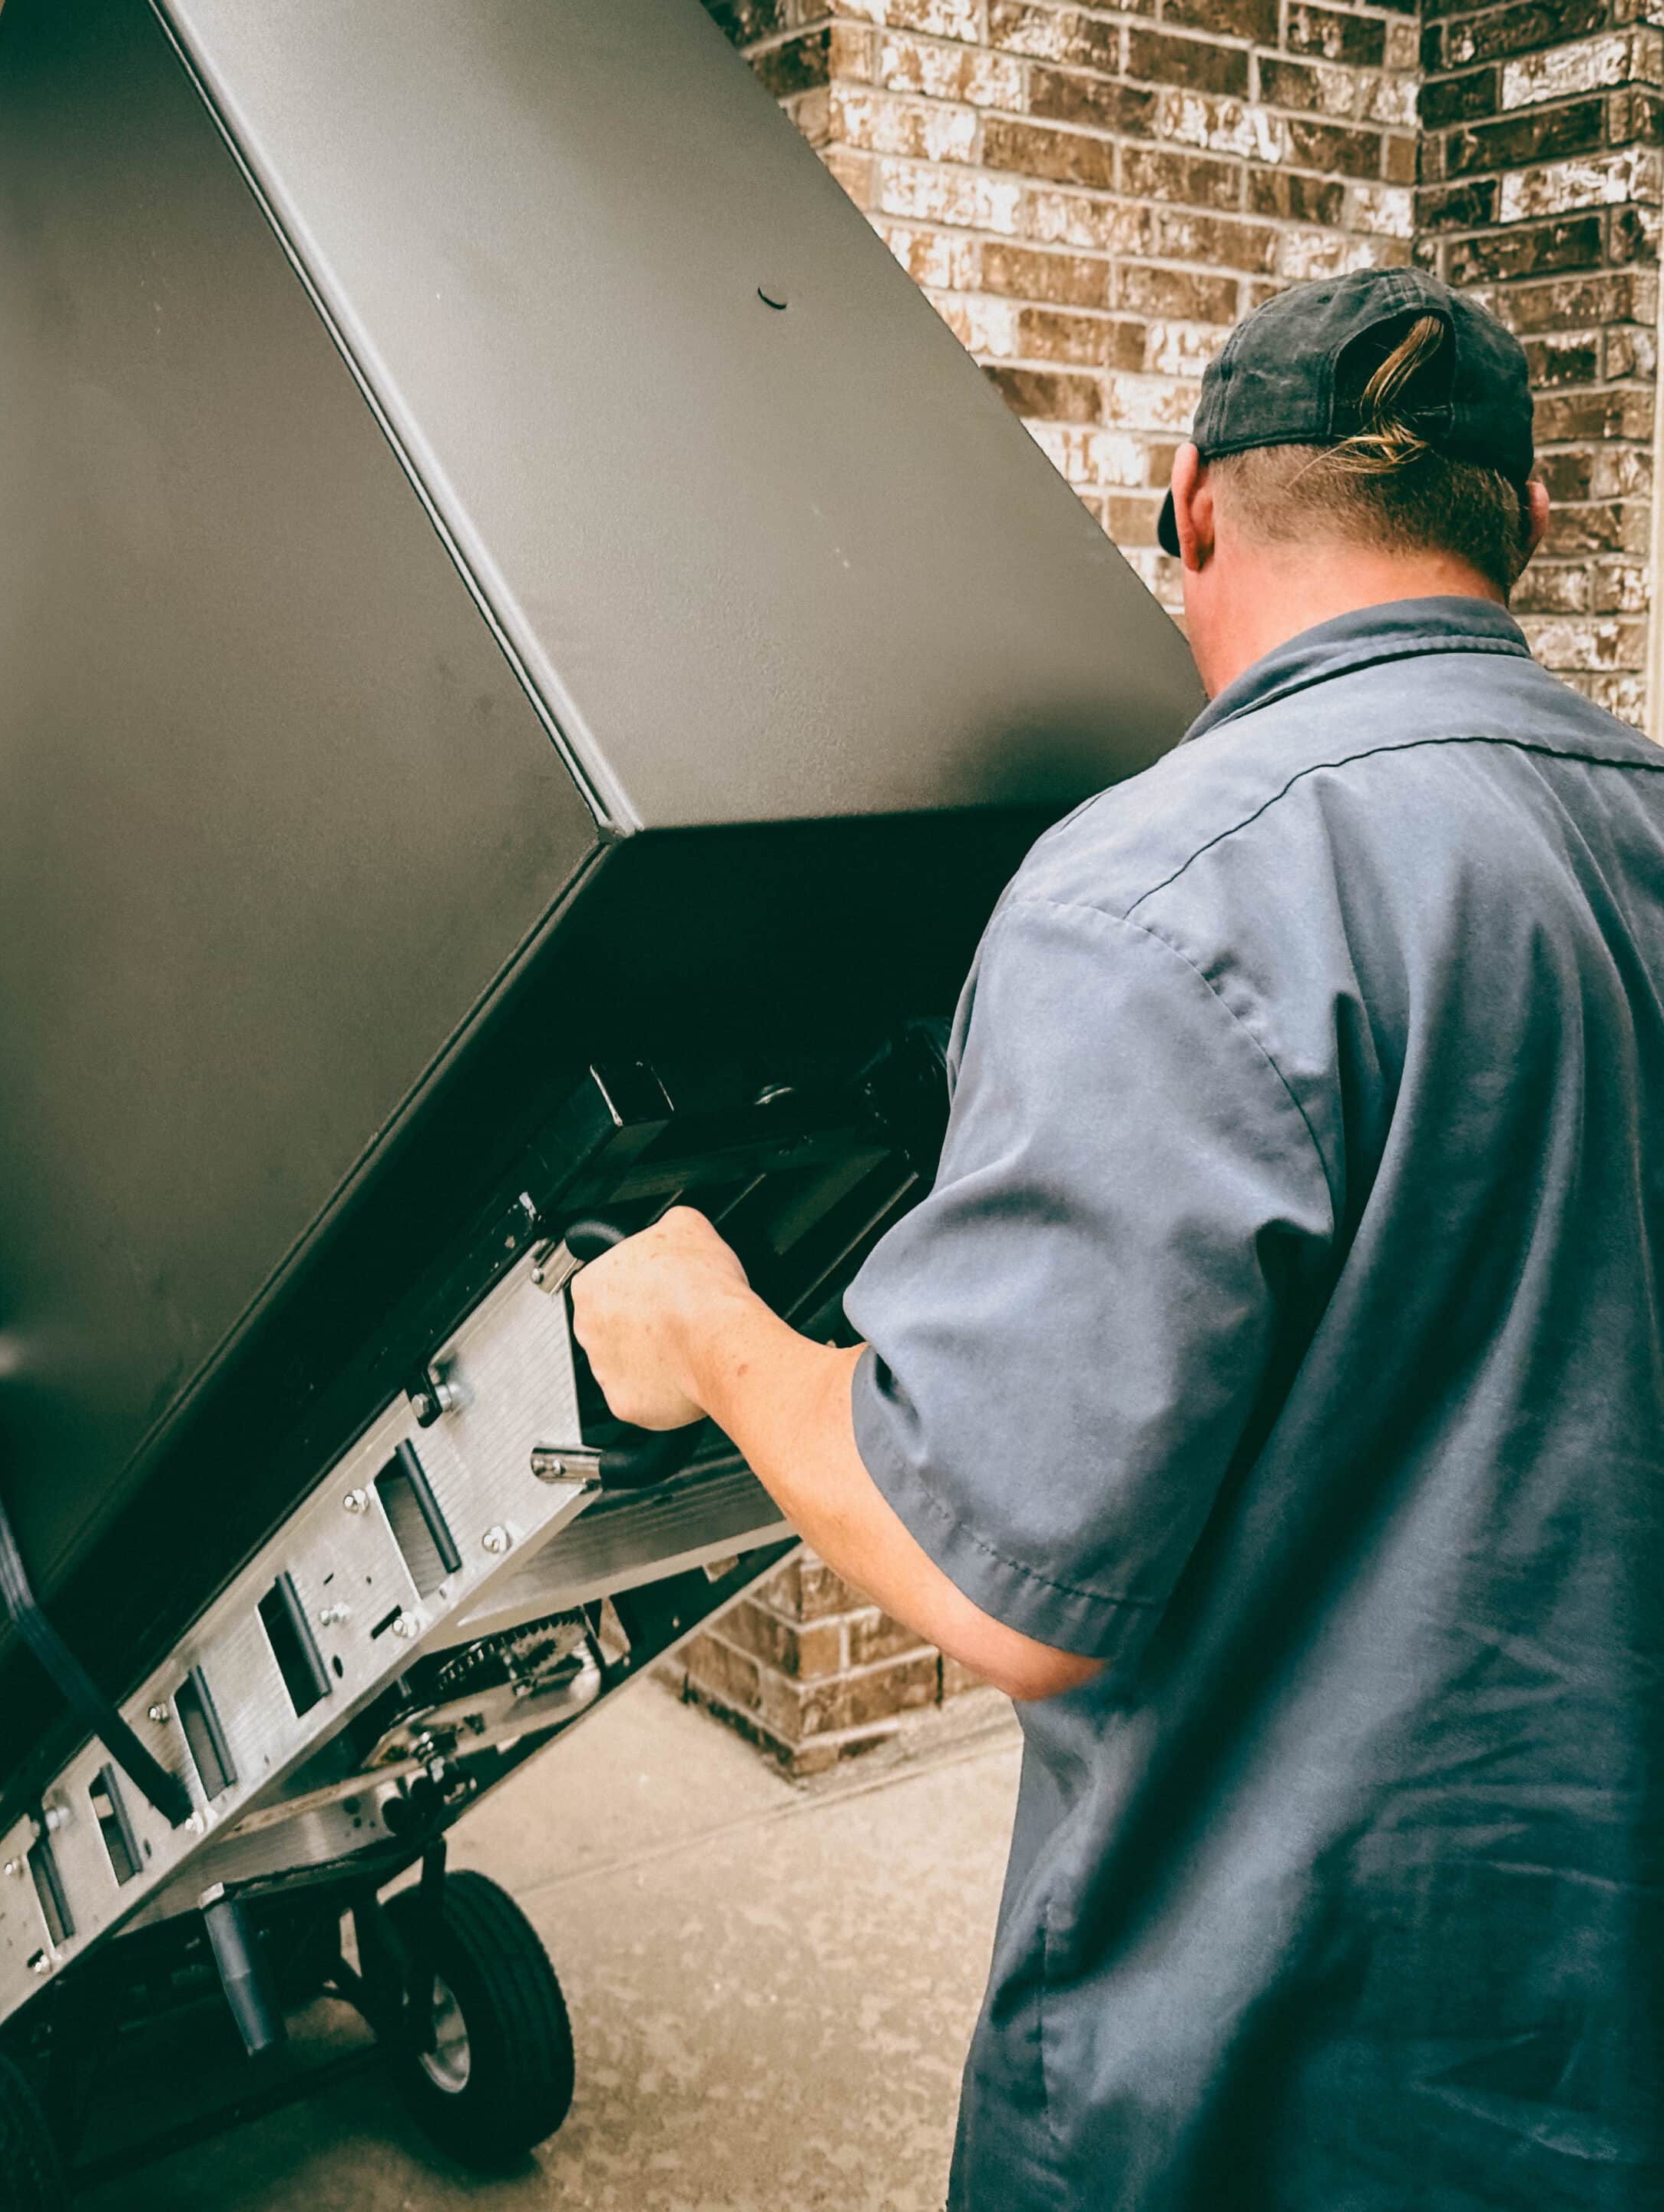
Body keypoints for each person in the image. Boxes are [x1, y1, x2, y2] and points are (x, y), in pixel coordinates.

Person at [572, 266, 1663, 2207]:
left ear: (1192, 505)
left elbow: (997, 1571)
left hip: (1276, 2086)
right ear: (1529, 519)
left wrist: (705, 1326)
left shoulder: (1165, 890)